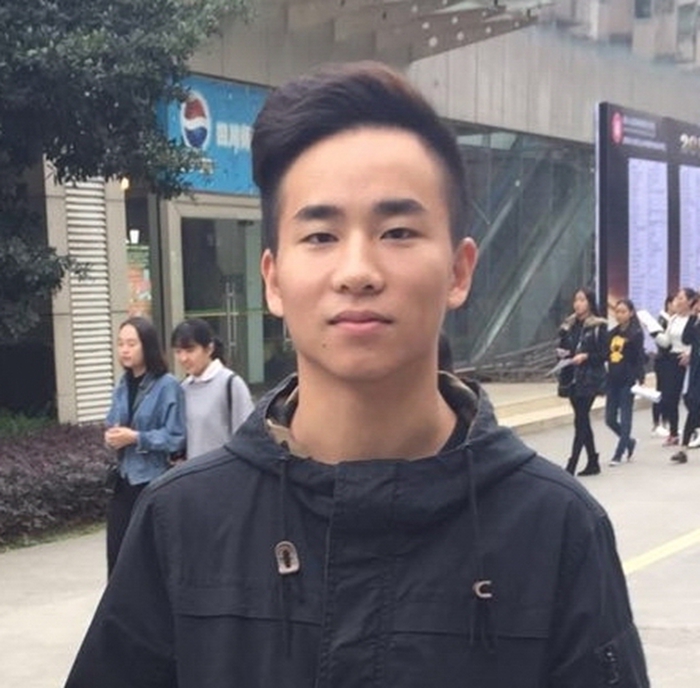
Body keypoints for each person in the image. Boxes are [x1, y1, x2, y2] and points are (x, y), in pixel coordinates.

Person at [65, 62, 648, 687]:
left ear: (458, 271)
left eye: (397, 231)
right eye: (320, 235)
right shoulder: (181, 522)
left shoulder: (555, 529)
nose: (358, 271)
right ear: (273, 280)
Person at [103, 316, 185, 576]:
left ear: (146, 346)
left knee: (148, 560)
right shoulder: (123, 384)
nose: (124, 350)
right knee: (116, 557)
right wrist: (112, 435)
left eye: (131, 344)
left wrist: (137, 438)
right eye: (120, 344)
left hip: (152, 481)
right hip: (124, 479)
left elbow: (176, 436)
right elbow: (112, 421)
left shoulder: (167, 385)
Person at [171, 318, 255, 459]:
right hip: (192, 470)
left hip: (224, 470)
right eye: (178, 351)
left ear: (209, 349)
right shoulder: (184, 388)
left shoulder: (230, 383)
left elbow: (248, 437)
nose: (183, 358)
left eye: (190, 350)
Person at [557, 288, 608, 476]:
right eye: (576, 300)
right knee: (582, 419)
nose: (577, 304)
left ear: (590, 303)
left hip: (589, 378)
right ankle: (593, 460)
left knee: (580, 419)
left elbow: (604, 354)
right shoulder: (568, 326)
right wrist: (562, 354)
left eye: (582, 300)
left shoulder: (598, 326)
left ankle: (572, 463)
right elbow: (562, 347)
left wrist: (586, 356)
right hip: (571, 376)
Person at [647, 288, 695, 447]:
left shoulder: (695, 319)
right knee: (669, 397)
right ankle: (674, 433)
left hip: (687, 359)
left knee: (689, 397)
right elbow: (666, 342)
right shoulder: (673, 319)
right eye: (677, 298)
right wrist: (653, 331)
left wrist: (690, 353)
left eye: (681, 298)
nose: (677, 301)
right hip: (672, 359)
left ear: (690, 301)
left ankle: (694, 428)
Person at [605, 299, 645, 466]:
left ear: (631, 313)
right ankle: (629, 441)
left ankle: (619, 453)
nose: (619, 315)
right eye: (617, 311)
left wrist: (640, 377)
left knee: (626, 417)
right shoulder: (612, 333)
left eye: (623, 311)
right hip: (612, 379)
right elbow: (606, 354)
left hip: (627, 379)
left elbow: (639, 357)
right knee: (610, 418)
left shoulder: (635, 333)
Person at [670, 293, 700, 464]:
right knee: (692, 403)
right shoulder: (696, 323)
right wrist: (693, 318)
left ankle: (683, 448)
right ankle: (683, 449)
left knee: (694, 405)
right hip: (696, 371)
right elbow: (686, 338)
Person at [650, 295, 675, 437]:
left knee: (669, 393)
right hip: (663, 360)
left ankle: (666, 421)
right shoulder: (662, 320)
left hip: (671, 360)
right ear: (669, 304)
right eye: (675, 302)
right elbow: (662, 341)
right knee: (661, 391)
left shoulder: (674, 320)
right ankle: (657, 422)